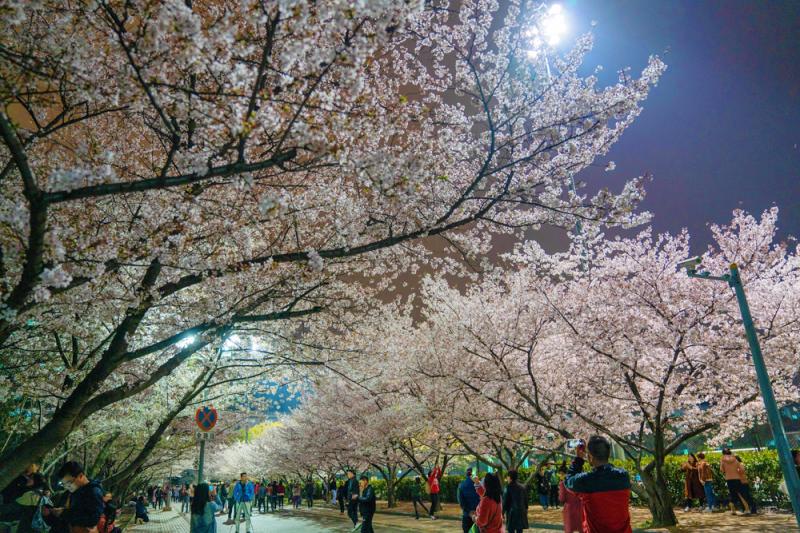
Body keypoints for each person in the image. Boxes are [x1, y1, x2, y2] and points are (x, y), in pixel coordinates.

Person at [565, 435, 632, 533]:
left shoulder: (586, 480)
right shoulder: (623, 476)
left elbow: (569, 481)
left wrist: (579, 459)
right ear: (608, 454)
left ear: (590, 457)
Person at [52, 461, 105, 533]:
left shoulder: (94, 492)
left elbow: (93, 519)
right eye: (63, 484)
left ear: (80, 476)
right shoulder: (74, 491)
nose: (67, 487)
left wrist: (64, 513)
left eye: (69, 482)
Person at [719, 448, 745, 514]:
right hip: (737, 478)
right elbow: (740, 469)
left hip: (729, 479)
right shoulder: (735, 459)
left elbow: (722, 470)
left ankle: (732, 507)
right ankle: (743, 508)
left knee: (732, 493)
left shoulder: (723, 460)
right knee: (739, 493)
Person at [558, 464, 582, 533]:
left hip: (569, 508)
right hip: (580, 507)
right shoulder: (581, 481)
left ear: (563, 473)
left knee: (569, 529)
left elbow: (561, 498)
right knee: (582, 528)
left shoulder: (563, 483)